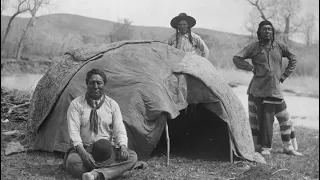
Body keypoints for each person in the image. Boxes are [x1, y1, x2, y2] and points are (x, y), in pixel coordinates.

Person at [233, 20, 303, 156]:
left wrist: (284, 75)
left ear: (273, 32)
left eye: (270, 29)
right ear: (259, 32)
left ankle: (287, 147)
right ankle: (264, 148)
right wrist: (250, 67)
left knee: (285, 117)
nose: (267, 31)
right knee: (264, 120)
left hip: (275, 89)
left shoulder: (279, 46)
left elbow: (293, 58)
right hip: (259, 90)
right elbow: (236, 58)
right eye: (264, 29)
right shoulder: (254, 47)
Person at [65, 68, 138, 180]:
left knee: (132, 157)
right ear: (86, 84)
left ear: (104, 84)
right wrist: (84, 154)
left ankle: (95, 175)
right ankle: (110, 172)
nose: (95, 86)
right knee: (72, 161)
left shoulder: (112, 105)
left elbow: (119, 128)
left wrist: (123, 146)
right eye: (92, 83)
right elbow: (73, 133)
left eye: (99, 83)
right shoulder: (76, 105)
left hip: (107, 152)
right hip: (85, 149)